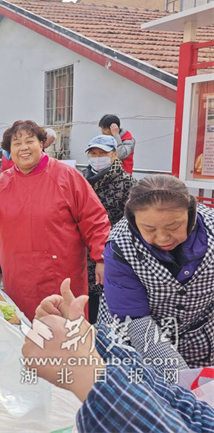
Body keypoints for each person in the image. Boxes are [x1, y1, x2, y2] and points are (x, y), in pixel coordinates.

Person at [0, 120, 110, 320]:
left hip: (62, 274)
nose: (23, 147)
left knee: (64, 336)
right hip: (19, 277)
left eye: (29, 141)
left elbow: (94, 218)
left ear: (41, 144)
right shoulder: (2, 183)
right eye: (16, 143)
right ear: (9, 151)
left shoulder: (66, 176)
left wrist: (101, 257)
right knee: (25, 332)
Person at [22, 280, 214, 432]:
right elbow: (179, 403)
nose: (163, 237)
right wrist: (90, 341)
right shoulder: (121, 245)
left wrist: (87, 372)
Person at [102, 174, 214, 368]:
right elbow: (134, 320)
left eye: (173, 226)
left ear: (191, 214)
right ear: (134, 220)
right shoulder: (120, 246)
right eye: (149, 229)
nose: (162, 238)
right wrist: (180, 377)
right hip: (138, 338)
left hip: (199, 336)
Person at [83, 135, 136, 323]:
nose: (97, 157)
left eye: (102, 153)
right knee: (84, 301)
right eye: (93, 153)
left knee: (105, 303)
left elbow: (131, 222)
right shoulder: (82, 179)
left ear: (114, 155)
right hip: (83, 253)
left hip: (110, 252)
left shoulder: (127, 183)